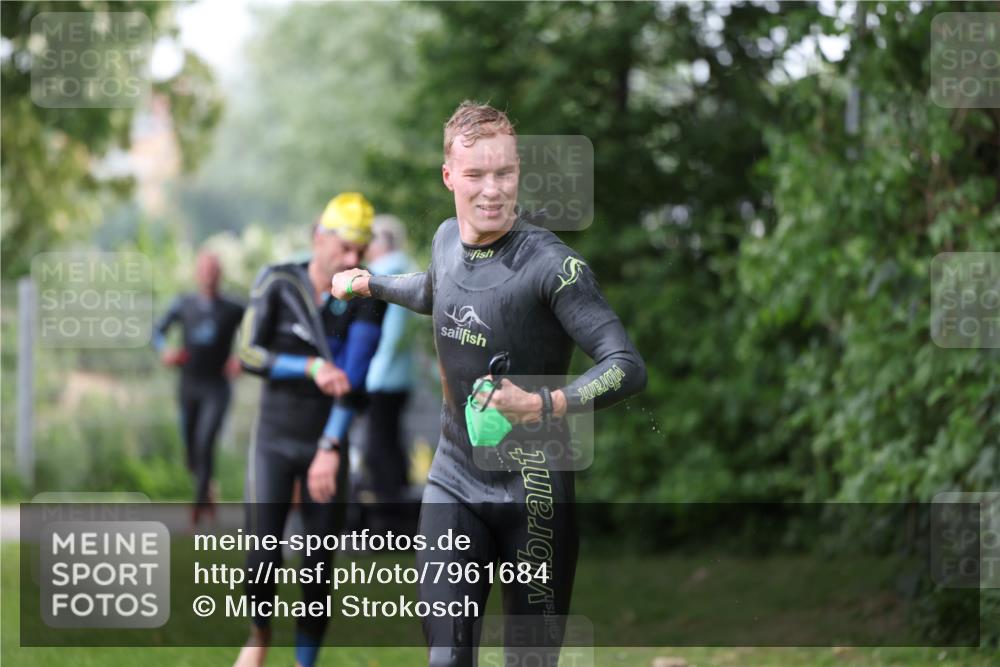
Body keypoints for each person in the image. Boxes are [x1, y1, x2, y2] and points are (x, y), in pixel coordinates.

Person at [332, 102, 647, 666]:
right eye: (476, 174)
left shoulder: (554, 267)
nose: (492, 190)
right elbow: (435, 290)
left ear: (518, 172)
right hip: (454, 476)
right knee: (446, 659)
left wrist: (543, 402)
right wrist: (372, 284)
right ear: (450, 175)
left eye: (504, 173)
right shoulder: (446, 238)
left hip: (537, 492)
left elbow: (626, 365)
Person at [234, 192, 386, 667]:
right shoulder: (278, 282)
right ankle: (259, 636)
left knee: (318, 567)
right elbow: (247, 354)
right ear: (318, 237)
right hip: (275, 438)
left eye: (361, 251)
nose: (352, 261)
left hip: (328, 440)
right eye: (344, 248)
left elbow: (356, 377)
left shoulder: (367, 294)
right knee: (261, 555)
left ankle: (305, 664)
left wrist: (330, 444)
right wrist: (310, 367)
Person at [153, 250, 244, 526]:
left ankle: (198, 509)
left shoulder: (233, 307)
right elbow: (157, 332)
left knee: (206, 441)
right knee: (192, 452)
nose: (208, 274)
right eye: (203, 269)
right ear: (196, 273)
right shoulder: (184, 304)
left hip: (217, 386)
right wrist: (165, 350)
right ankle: (208, 489)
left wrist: (242, 358)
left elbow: (258, 327)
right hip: (189, 385)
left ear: (220, 273)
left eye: (213, 269)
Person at [361, 215, 417, 507]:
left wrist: (369, 372)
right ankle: (398, 508)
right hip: (401, 378)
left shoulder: (381, 276)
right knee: (392, 442)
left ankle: (387, 512)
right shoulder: (407, 272)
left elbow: (390, 334)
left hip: (381, 377)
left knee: (378, 448)